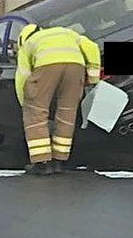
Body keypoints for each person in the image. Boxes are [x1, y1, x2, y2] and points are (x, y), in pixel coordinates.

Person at [15, 23, 101, 175]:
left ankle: (42, 163)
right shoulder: (66, 33)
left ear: (23, 38)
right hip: (76, 67)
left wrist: (25, 102)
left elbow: (23, 75)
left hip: (46, 67)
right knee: (67, 113)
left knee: (36, 114)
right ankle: (59, 160)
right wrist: (93, 79)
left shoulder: (28, 44)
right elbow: (92, 47)